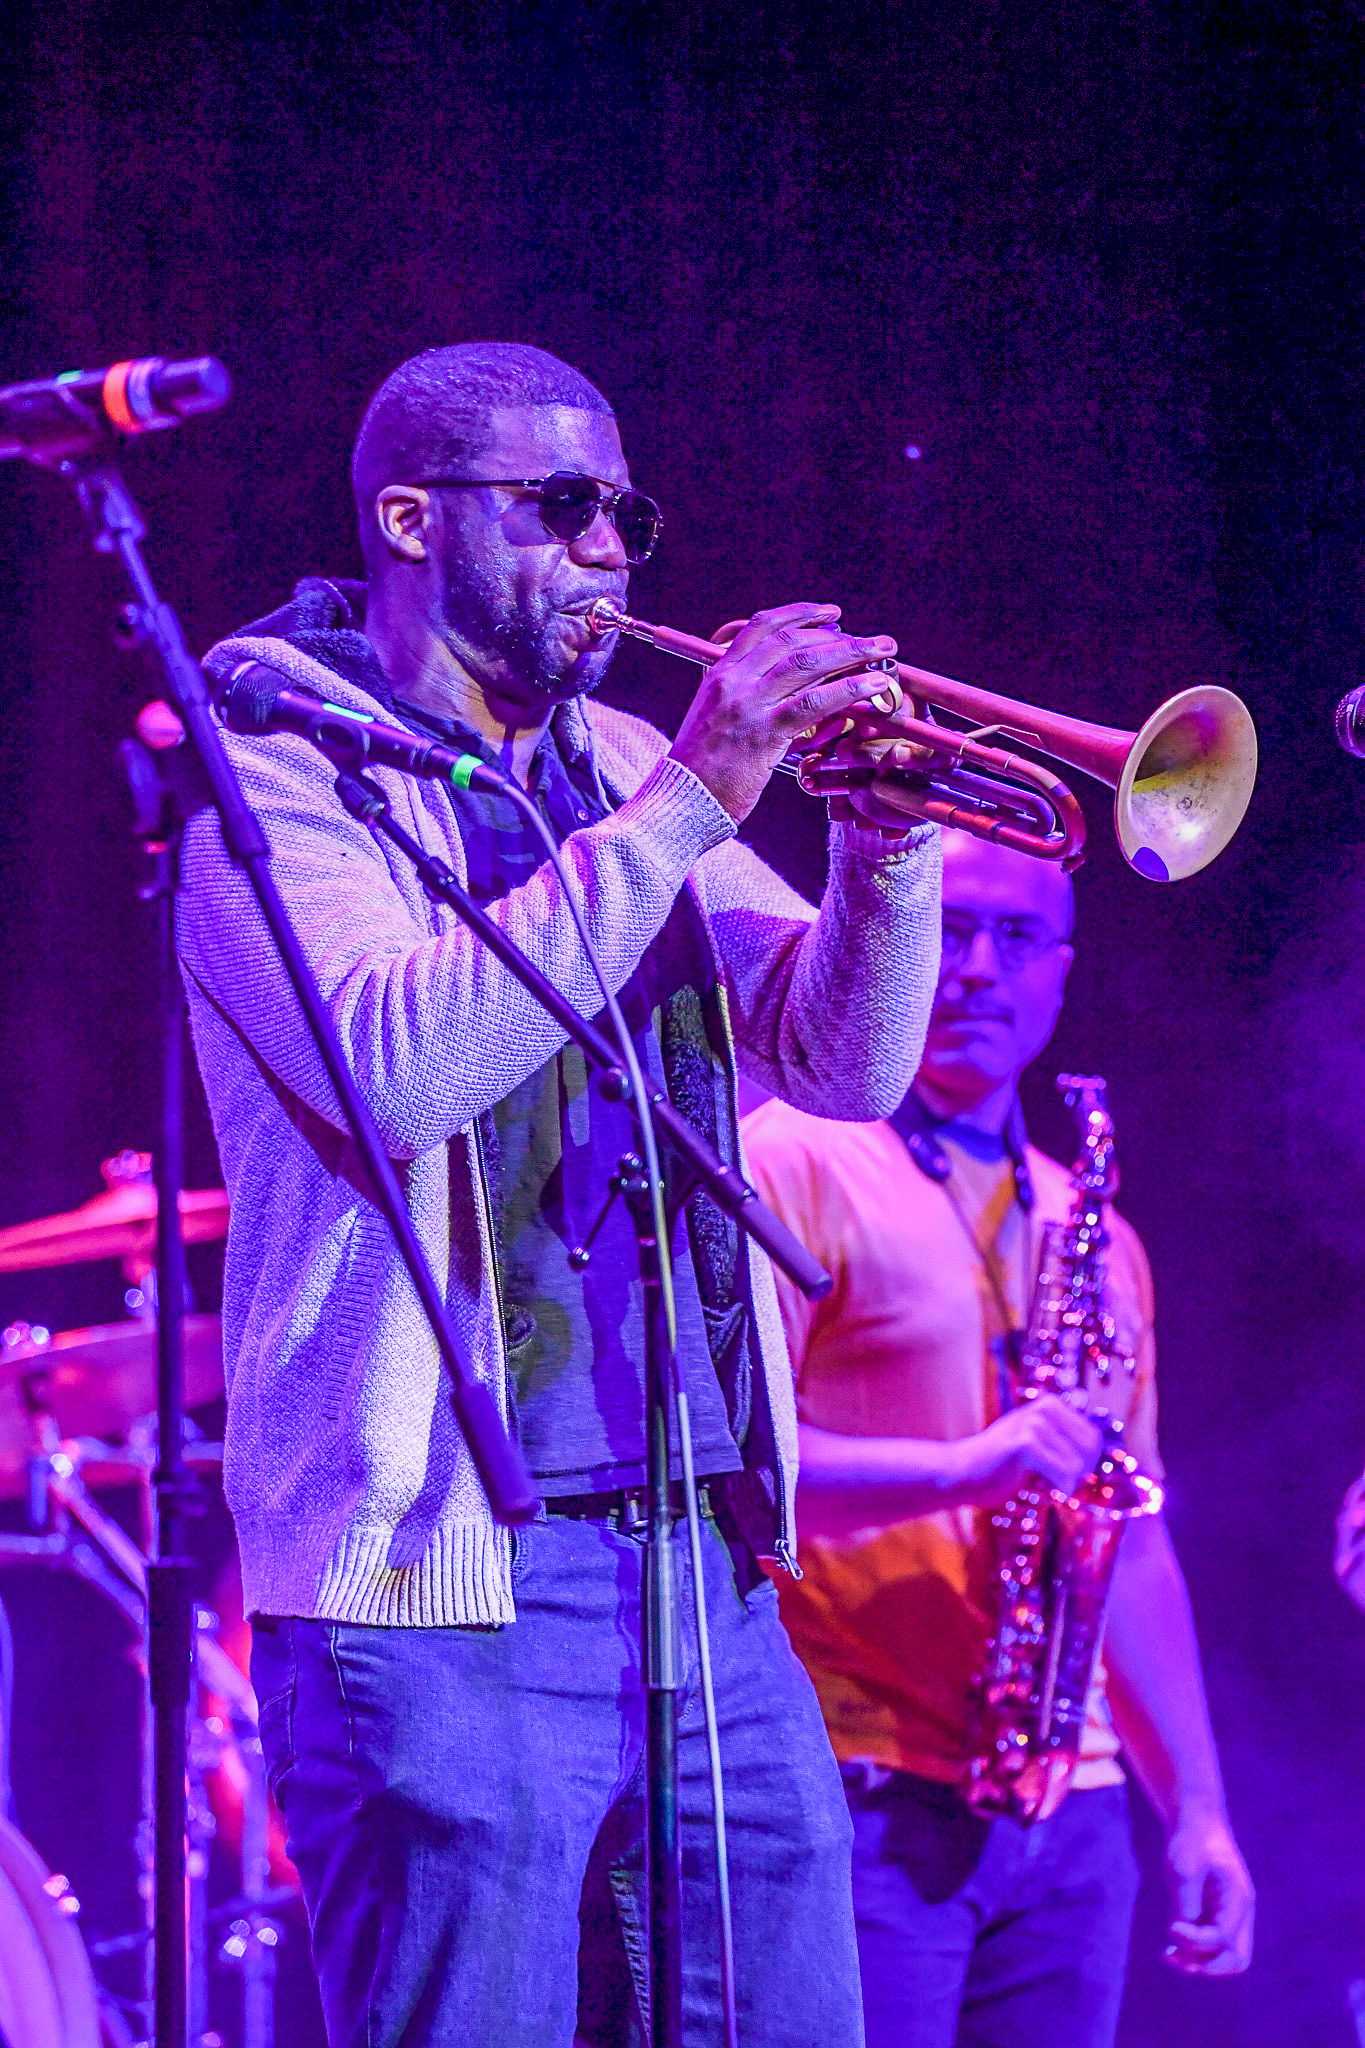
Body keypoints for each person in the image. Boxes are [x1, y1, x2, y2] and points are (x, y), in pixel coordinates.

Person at [176, 341, 943, 2048]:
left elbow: (837, 1062)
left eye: (624, 512)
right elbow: (392, 1071)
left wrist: (888, 850)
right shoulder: (280, 775)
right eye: (561, 506)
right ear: (407, 520)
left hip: (706, 1562)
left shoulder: (606, 764)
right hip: (442, 1582)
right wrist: (693, 801)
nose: (610, 548)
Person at [742, 828, 1254, 2048]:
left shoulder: (1098, 1231)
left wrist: (1199, 1807)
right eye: (949, 928)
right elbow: (741, 1478)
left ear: (1062, 973)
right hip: (857, 1785)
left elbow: (1131, 1544)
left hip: (1067, 1812)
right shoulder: (791, 1153)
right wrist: (972, 1466)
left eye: (1014, 936)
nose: (975, 967)